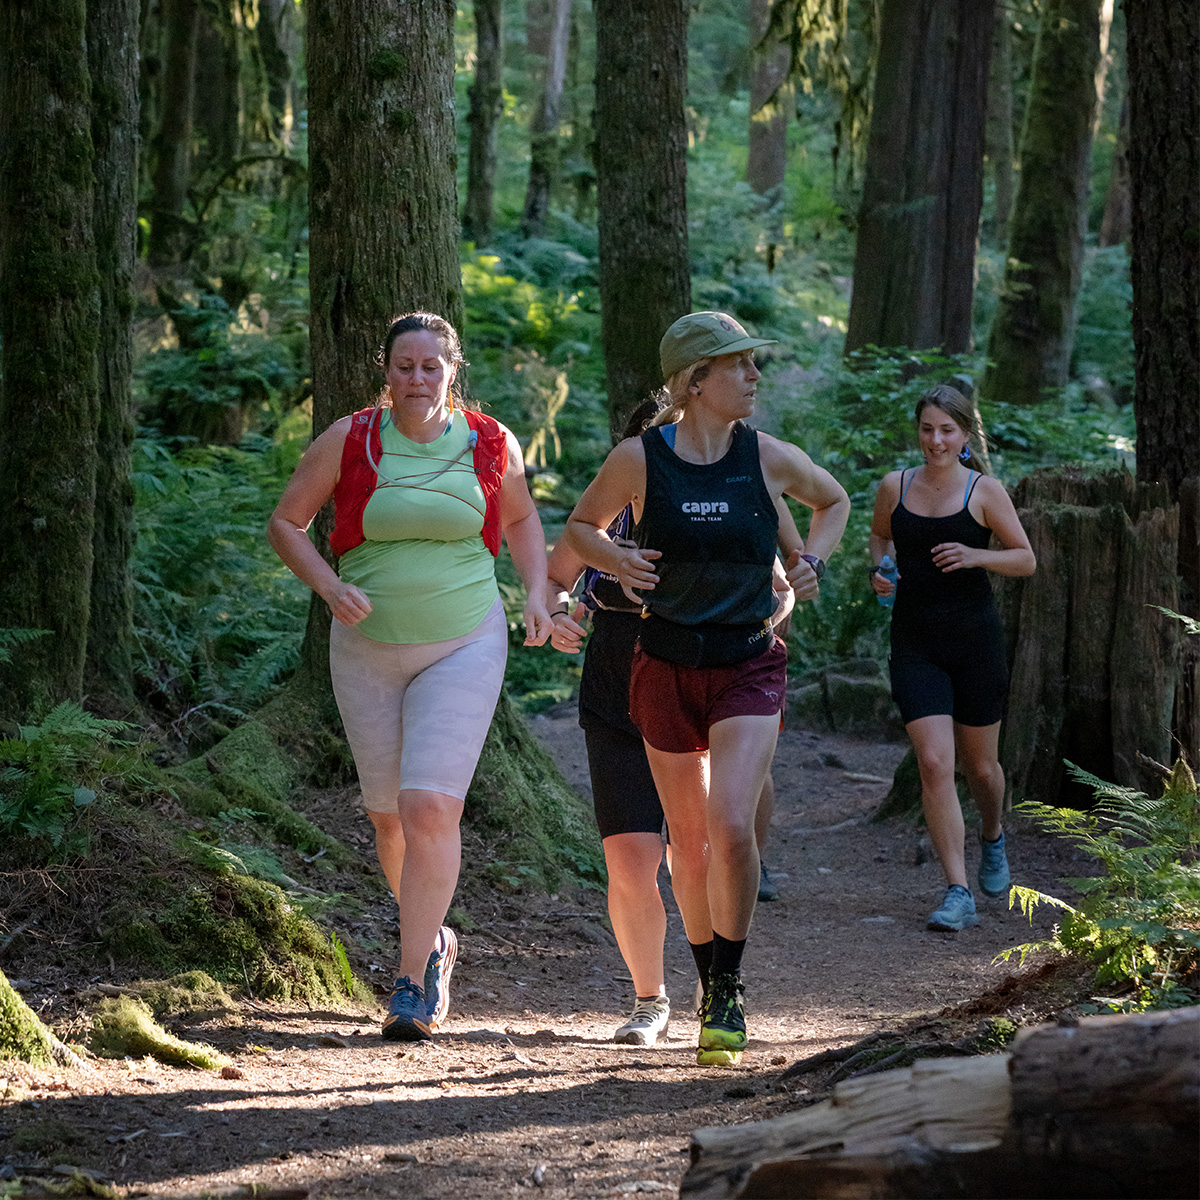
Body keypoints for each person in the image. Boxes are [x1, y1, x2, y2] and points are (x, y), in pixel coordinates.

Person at [564, 312, 850, 1065]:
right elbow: (579, 529)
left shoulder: (767, 457)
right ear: (695, 380)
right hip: (662, 664)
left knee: (729, 827)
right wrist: (617, 561)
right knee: (686, 846)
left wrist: (813, 560)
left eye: (756, 363)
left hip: (749, 661)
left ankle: (728, 985)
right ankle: (703, 984)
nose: (754, 376)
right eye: (739, 365)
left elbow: (836, 500)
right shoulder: (640, 458)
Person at [268, 311, 552, 1041]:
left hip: (464, 640)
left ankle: (407, 985)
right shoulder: (352, 437)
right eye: (404, 366)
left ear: (452, 370)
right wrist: (330, 588)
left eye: (431, 366)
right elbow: (287, 524)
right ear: (385, 371)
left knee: (430, 808)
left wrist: (537, 593)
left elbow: (520, 520)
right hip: (366, 649)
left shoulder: (490, 442)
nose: (417, 379)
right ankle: (436, 941)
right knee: (389, 817)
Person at [545, 399, 804, 1047]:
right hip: (614, 686)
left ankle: (715, 975)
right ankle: (648, 1001)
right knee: (630, 862)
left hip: (695, 678)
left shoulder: (718, 508)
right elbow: (556, 576)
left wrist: (763, 629)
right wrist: (557, 616)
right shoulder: (607, 516)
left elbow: (778, 584)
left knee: (695, 850)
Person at [869, 384, 1036, 932]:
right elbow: (879, 539)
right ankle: (957, 890)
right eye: (926, 429)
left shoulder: (983, 491)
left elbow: (1025, 559)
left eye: (947, 430)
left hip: (973, 643)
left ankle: (993, 835)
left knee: (981, 768)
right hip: (915, 643)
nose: (935, 440)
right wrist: (883, 571)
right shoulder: (894, 486)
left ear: (965, 434)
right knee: (935, 763)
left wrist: (974, 554)